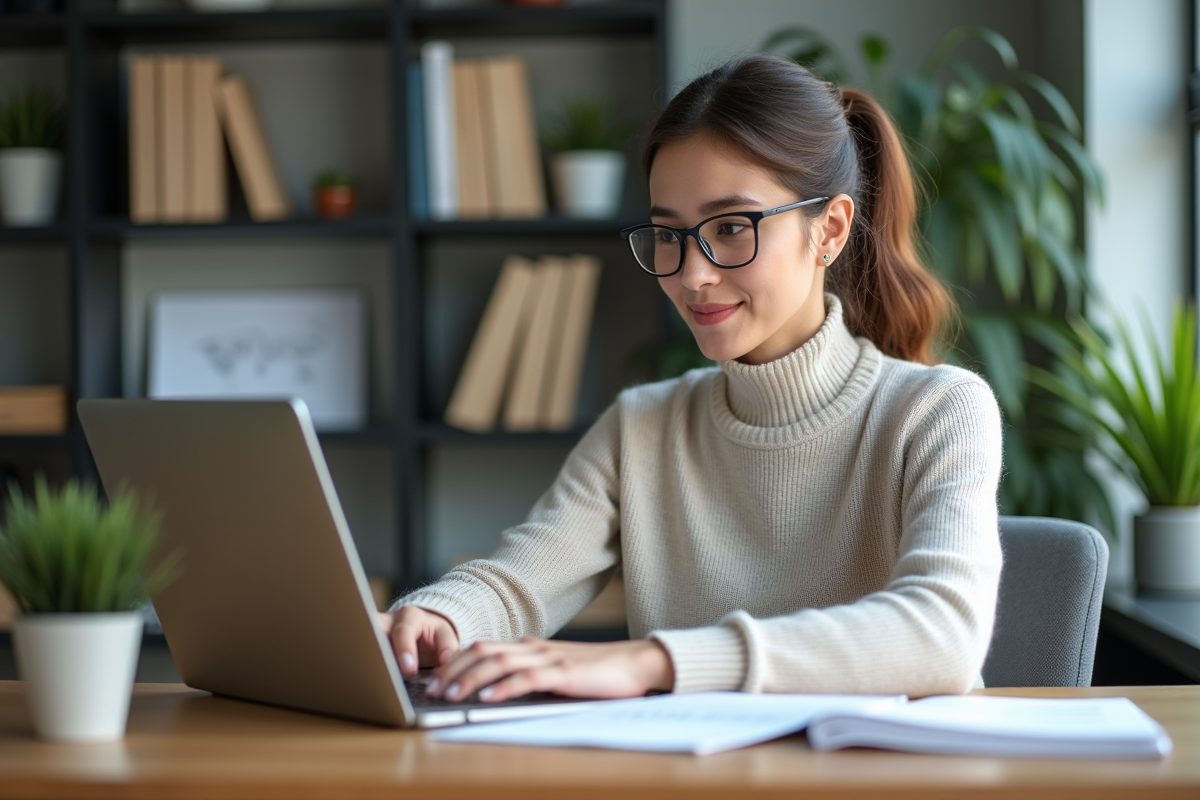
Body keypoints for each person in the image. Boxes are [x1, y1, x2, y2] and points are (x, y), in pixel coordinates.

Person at [379, 54, 1003, 703]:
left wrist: (653, 663)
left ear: (831, 230)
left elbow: (943, 635)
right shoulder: (642, 426)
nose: (690, 274)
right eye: (668, 234)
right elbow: (521, 582)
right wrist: (437, 618)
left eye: (732, 228)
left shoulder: (938, 410)